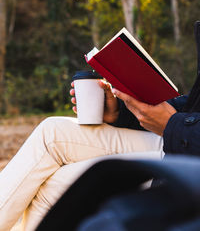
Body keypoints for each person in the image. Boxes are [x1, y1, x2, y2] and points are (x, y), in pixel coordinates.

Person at [0, 77, 197, 231]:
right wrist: (122, 112)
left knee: (55, 184)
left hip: (190, 161)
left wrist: (175, 125)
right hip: (181, 139)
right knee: (51, 131)